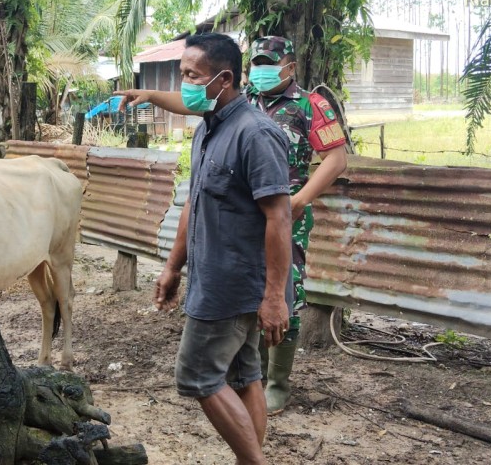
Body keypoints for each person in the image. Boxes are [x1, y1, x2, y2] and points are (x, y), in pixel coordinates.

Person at [116, 35, 348, 415]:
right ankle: (252, 372)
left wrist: (300, 200)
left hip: (282, 211)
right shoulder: (240, 105)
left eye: (269, 62)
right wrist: (150, 94)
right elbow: (192, 102)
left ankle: (279, 382)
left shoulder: (309, 105)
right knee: (247, 331)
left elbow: (336, 160)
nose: (261, 69)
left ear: (290, 66)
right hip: (240, 212)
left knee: (283, 294)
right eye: (256, 62)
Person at [149, 32, 293, 464]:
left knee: (196, 376)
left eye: (193, 75)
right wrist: (174, 267)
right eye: (182, 75)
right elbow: (196, 201)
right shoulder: (209, 129)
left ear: (224, 79)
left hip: (233, 288)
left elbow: (279, 217)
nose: (185, 85)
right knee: (244, 375)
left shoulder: (255, 134)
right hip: (215, 279)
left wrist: (273, 297)